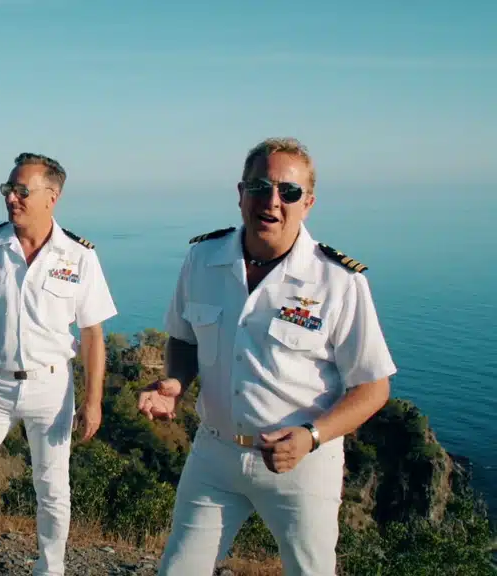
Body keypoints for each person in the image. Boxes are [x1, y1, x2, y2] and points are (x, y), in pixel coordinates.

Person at [138, 137, 397, 575]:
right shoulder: (202, 259)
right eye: (260, 187)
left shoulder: (338, 281)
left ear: (307, 204)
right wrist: (175, 383)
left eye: (289, 191)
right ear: (241, 194)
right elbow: (184, 338)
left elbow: (373, 387)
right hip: (215, 454)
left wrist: (311, 436)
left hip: (302, 463)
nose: (272, 200)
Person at [0, 153, 118, 575]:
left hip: (52, 388)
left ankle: (50, 570)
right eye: (8, 189)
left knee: (52, 490)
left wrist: (93, 400)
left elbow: (92, 335)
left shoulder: (79, 256)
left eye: (21, 191)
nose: (11, 198)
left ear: (52, 197)